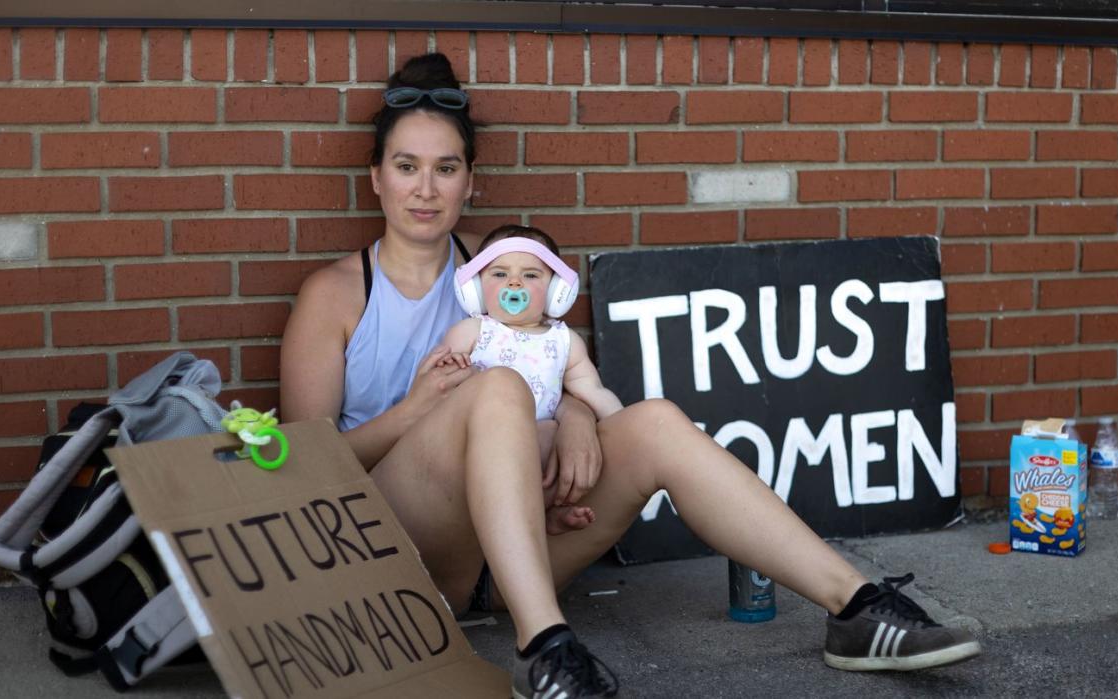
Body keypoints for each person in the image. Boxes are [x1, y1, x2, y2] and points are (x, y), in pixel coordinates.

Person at [280, 52, 980, 699]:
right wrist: (419, 406)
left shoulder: (508, 266)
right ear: (375, 176)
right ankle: (545, 647)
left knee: (655, 423)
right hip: (407, 554)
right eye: (406, 166)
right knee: (496, 389)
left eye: (446, 167)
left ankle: (854, 605)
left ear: (471, 178)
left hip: (516, 549)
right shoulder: (336, 294)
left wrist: (582, 418)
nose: (426, 189)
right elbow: (300, 478)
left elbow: (562, 366)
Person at [437, 224, 622, 536]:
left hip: (537, 449)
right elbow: (435, 382)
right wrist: (450, 366)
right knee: (542, 434)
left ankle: (546, 512)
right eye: (498, 273)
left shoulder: (566, 342)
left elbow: (592, 390)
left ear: (555, 292)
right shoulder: (472, 332)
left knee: (551, 436)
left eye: (531, 275)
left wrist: (622, 425)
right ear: (476, 287)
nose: (514, 282)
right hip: (482, 447)